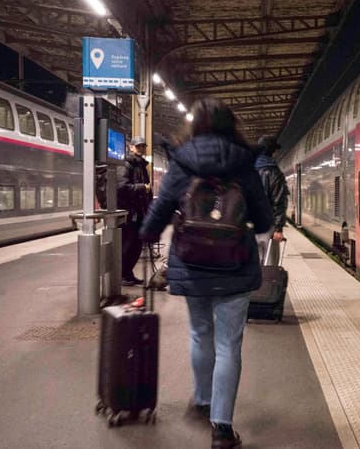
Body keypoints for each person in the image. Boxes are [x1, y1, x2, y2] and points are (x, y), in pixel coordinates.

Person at [139, 97, 273, 448]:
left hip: (192, 262)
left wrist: (146, 236)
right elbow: (263, 220)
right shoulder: (245, 162)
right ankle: (222, 429)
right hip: (235, 263)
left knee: (201, 334)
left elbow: (159, 210)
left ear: (195, 126)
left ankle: (202, 400)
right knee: (230, 344)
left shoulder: (182, 161)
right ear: (232, 126)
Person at [118, 136, 152, 286]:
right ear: (131, 147)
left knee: (136, 246)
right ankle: (121, 275)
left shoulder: (141, 165)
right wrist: (142, 188)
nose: (141, 149)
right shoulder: (126, 164)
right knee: (127, 245)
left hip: (138, 212)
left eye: (143, 146)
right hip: (129, 213)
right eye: (138, 146)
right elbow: (121, 187)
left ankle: (128, 273)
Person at [254, 135, 289, 265]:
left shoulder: (247, 170)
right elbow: (279, 201)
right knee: (269, 266)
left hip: (249, 227)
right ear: (273, 152)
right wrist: (279, 228)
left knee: (253, 266)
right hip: (268, 227)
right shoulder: (274, 172)